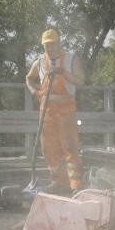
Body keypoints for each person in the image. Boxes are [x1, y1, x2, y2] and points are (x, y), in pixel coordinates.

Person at [25, 28, 86, 195]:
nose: (50, 48)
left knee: (69, 147)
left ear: (59, 43)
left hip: (66, 112)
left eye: (52, 44)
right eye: (47, 45)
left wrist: (63, 73)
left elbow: (81, 81)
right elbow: (29, 78)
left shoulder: (70, 59)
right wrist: (33, 91)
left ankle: (75, 185)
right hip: (46, 113)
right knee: (49, 148)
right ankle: (58, 182)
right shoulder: (39, 61)